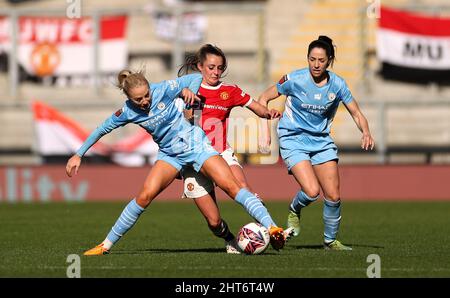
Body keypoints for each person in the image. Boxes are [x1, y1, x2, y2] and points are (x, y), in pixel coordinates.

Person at [66, 68, 289, 256]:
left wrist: (186, 91)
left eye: (146, 96)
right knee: (146, 196)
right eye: (138, 99)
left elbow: (192, 80)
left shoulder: (162, 88)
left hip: (196, 147)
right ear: (129, 99)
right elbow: (102, 129)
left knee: (232, 187)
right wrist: (79, 154)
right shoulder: (127, 112)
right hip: (170, 155)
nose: (145, 101)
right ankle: (106, 245)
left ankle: (272, 227)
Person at [258, 35, 375, 250]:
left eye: (321, 60)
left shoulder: (338, 84)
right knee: (312, 192)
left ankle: (330, 241)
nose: (316, 64)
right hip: (293, 138)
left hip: (321, 141)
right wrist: (264, 131)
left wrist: (366, 131)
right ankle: (294, 209)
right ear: (307, 58)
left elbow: (356, 113)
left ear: (329, 60)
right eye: (312, 59)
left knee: (333, 195)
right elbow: (263, 99)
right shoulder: (294, 79)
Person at [178, 44, 286, 254]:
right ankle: (229, 239)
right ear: (200, 66)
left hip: (221, 153)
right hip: (193, 159)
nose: (215, 72)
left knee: (243, 187)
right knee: (213, 221)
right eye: (211, 67)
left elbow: (256, 106)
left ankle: (273, 229)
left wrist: (268, 113)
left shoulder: (230, 91)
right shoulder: (186, 90)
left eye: (219, 68)